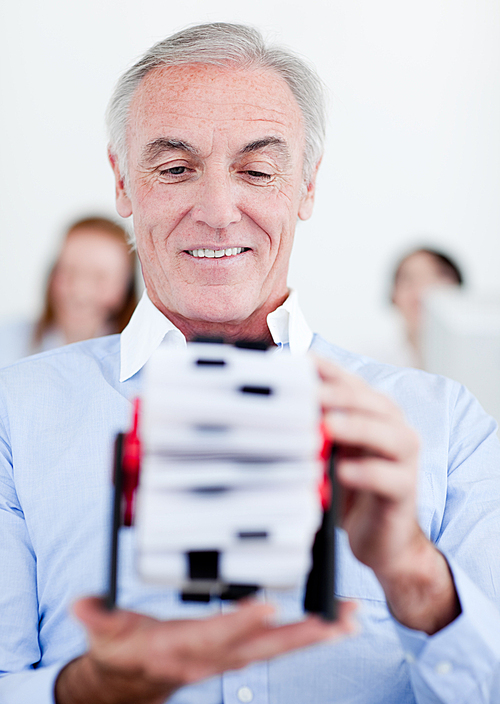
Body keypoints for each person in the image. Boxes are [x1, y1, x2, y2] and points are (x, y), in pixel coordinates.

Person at [0, 22, 499, 704]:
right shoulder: (14, 414)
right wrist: (85, 688)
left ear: (307, 186)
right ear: (123, 184)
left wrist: (414, 575)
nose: (216, 210)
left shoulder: (446, 425)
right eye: (175, 169)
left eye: (257, 170)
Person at [0, 216, 137, 367]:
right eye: (68, 272)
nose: (80, 292)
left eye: (100, 278)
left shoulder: (145, 358)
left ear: (126, 287)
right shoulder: (6, 342)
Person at [390, 247, 464, 368]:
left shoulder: (482, 363)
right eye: (409, 281)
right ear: (393, 297)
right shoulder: (367, 363)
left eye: (435, 279)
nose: (421, 293)